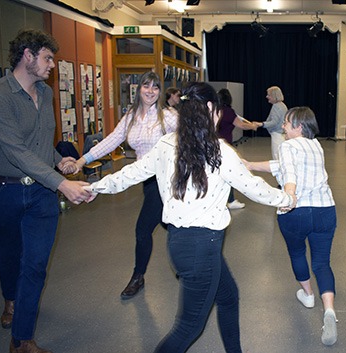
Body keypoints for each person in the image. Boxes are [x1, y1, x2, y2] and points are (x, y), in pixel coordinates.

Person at [86, 82, 296, 353]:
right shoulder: (219, 151)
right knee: (187, 328)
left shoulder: (166, 145)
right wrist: (287, 199)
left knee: (229, 298)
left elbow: (130, 174)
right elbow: (254, 188)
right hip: (201, 248)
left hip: (184, 244)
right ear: (210, 108)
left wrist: (94, 187)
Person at [0, 29, 92, 353]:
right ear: (27, 55)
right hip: (2, 190)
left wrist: (62, 163)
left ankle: (21, 340)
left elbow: (42, 145)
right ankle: (10, 301)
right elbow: (16, 151)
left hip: (42, 193)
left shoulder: (45, 94)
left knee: (34, 265)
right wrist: (61, 182)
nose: (52, 65)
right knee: (8, 256)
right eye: (48, 57)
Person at [74, 71, 178, 298]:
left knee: (143, 229)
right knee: (169, 224)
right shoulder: (131, 116)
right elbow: (111, 140)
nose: (150, 91)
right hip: (146, 179)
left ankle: (137, 276)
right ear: (138, 89)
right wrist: (83, 160)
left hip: (167, 180)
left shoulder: (167, 115)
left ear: (160, 92)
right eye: (146, 86)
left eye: (155, 87)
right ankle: (189, 262)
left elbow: (191, 136)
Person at [244, 106, 338, 346]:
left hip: (295, 212)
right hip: (325, 210)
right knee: (322, 263)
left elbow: (290, 173)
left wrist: (290, 195)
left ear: (299, 126)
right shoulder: (316, 145)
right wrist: (250, 164)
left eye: (286, 123)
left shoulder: (287, 146)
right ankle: (329, 311)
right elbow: (280, 165)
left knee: (297, 252)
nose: (282, 126)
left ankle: (308, 295)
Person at [217, 88, 258, 210]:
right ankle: (230, 201)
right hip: (225, 147)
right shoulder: (229, 112)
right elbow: (241, 125)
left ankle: (222, 200)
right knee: (229, 172)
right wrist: (252, 126)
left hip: (213, 145)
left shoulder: (215, 110)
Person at [254, 86, 288, 160]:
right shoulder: (281, 105)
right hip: (280, 135)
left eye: (269, 95)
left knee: (277, 157)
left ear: (274, 95)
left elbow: (274, 122)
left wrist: (261, 124)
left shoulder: (277, 106)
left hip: (278, 135)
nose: (267, 96)